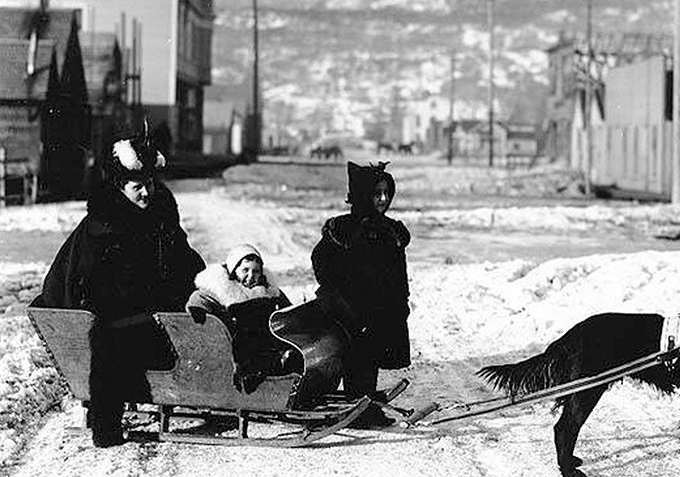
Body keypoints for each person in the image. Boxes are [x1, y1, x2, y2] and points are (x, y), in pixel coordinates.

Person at [35, 133, 205, 447]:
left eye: (149, 184)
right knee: (112, 339)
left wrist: (204, 283)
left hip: (151, 307)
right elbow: (97, 282)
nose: (146, 192)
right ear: (120, 187)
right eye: (137, 187)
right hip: (110, 310)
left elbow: (182, 256)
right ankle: (106, 426)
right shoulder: (104, 225)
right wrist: (149, 304)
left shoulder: (159, 213)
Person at [311, 162, 411, 428]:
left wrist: (401, 302)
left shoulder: (391, 231)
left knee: (372, 356)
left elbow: (398, 273)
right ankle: (356, 407)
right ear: (362, 195)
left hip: (380, 309)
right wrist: (341, 295)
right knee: (354, 357)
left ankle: (365, 404)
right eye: (377, 194)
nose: (383, 199)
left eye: (387, 193)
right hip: (347, 310)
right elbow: (321, 263)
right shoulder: (342, 229)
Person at [186, 243, 297, 392]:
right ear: (234, 270)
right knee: (249, 343)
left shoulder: (268, 290)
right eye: (245, 270)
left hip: (264, 339)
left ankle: (283, 362)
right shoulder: (223, 288)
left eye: (256, 271)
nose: (251, 276)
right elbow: (199, 297)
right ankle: (261, 370)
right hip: (238, 343)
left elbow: (287, 308)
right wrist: (197, 308)